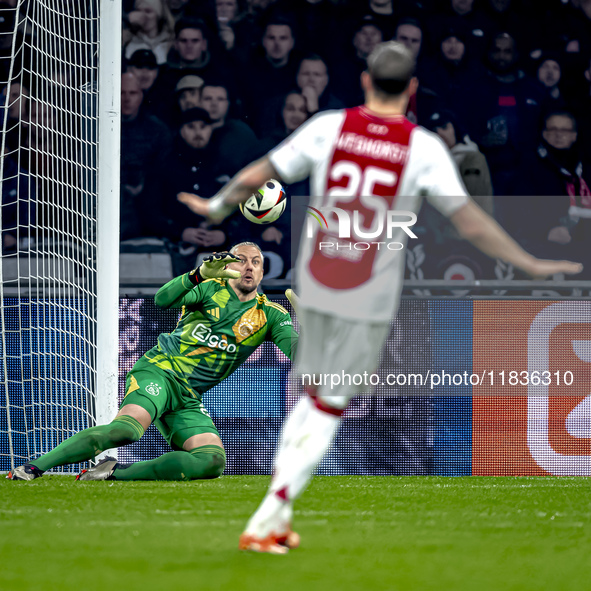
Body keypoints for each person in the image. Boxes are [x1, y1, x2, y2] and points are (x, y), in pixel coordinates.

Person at [177, 41, 583, 554]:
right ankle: (268, 517)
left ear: (366, 81)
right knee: (328, 405)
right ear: (412, 90)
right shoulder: (422, 146)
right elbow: (468, 220)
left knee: (314, 399)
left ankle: (273, 517)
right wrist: (530, 263)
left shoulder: (329, 127)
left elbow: (261, 174)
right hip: (366, 297)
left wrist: (215, 207)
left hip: (319, 284)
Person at [7, 244, 298, 482]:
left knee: (211, 461)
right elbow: (161, 300)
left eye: (256, 262)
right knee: (127, 431)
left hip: (187, 397)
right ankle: (32, 468)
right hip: (159, 371)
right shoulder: (210, 288)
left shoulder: (271, 315)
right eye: (241, 260)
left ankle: (112, 472)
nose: (248, 266)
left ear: (262, 272)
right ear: (228, 266)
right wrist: (197, 275)